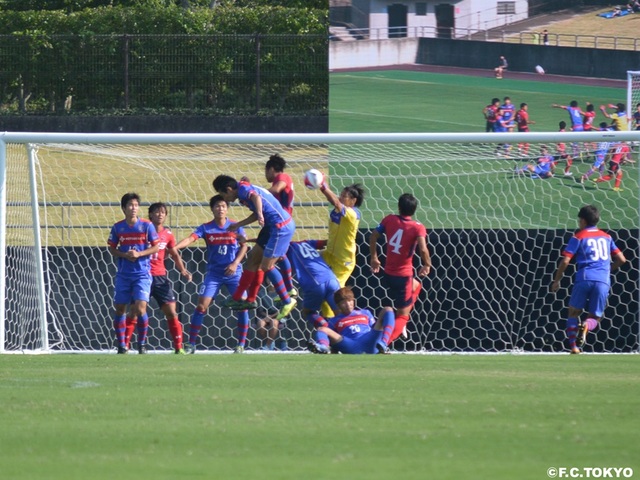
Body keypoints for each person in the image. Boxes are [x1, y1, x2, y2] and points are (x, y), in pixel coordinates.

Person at [212, 174, 297, 321]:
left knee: (266, 266)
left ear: (229, 189)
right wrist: (239, 224)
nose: (224, 199)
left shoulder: (243, 190)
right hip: (272, 227)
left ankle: (287, 300)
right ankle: (245, 299)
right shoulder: (242, 189)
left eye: (223, 195)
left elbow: (256, 197)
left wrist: (260, 214)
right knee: (252, 259)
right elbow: (256, 207)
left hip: (280, 228)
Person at [174, 195, 250, 354]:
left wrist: (235, 263)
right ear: (212, 209)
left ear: (227, 209)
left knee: (242, 305)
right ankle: (191, 344)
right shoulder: (206, 228)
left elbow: (244, 245)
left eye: (223, 206)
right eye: (217, 206)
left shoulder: (235, 226)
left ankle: (241, 345)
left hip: (234, 273)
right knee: (201, 305)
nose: (220, 209)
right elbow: (191, 239)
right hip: (214, 274)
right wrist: (175, 248)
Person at [550, 205, 626, 354]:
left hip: (584, 277)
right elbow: (622, 259)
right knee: (595, 317)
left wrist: (557, 280)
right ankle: (586, 325)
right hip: (603, 280)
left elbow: (565, 261)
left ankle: (574, 346)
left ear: (583, 221)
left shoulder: (578, 236)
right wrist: (607, 270)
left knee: (573, 312)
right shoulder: (607, 237)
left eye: (579, 220)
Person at [369, 193, 432, 344]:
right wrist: (427, 264)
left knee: (416, 286)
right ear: (415, 209)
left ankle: (400, 323)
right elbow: (423, 249)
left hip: (388, 274)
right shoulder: (418, 227)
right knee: (403, 316)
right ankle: (384, 343)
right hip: (403, 277)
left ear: (398, 207)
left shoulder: (389, 219)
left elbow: (373, 236)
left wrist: (374, 258)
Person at [135, 202, 192, 355]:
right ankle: (128, 345)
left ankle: (178, 347)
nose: (160, 214)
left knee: (172, 311)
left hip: (160, 278)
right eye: (157, 212)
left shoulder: (168, 234)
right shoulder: (142, 231)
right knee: (136, 311)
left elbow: (174, 254)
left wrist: (183, 270)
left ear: (166, 216)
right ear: (150, 214)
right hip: (142, 276)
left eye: (163, 212)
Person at [107, 192, 160, 354]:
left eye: (136, 205)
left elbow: (156, 247)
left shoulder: (147, 226)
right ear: (124, 208)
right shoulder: (118, 227)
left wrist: (139, 254)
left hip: (142, 274)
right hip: (124, 274)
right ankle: (122, 345)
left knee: (140, 308)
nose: (134, 208)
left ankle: (142, 344)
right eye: (130, 205)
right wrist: (124, 255)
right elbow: (111, 248)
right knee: (120, 308)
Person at [315, 179, 365, 318]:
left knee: (334, 294)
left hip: (343, 262)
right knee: (305, 258)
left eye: (344, 196)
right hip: (329, 254)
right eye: (341, 195)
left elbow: (336, 202)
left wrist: (323, 187)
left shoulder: (353, 214)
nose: (341, 197)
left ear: (353, 201)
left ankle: (336, 323)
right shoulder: (337, 211)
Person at [285, 239, 342, 353]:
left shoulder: (287, 246)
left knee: (308, 312)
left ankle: (326, 329)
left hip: (315, 282)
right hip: (332, 279)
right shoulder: (307, 242)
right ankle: (344, 341)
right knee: (340, 314)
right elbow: (325, 242)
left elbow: (266, 243)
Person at [307, 287, 395, 355]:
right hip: (350, 344)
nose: (347, 304)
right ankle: (322, 348)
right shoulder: (334, 320)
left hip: (369, 341)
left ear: (353, 301)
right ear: (338, 305)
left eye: (349, 301)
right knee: (322, 329)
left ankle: (383, 344)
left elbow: (374, 329)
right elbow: (332, 339)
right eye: (343, 302)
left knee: (387, 309)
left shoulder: (365, 313)